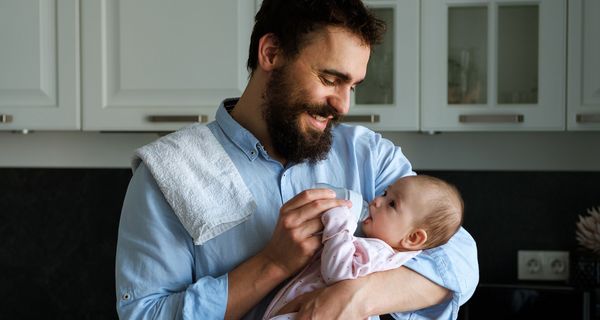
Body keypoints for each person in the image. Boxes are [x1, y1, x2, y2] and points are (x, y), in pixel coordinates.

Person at [115, 0, 479, 319]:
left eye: (352, 86)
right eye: (330, 78)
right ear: (271, 53)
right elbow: (146, 314)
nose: (343, 105)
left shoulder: (369, 155)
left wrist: (354, 297)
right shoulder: (167, 174)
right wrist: (271, 264)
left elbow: (459, 257)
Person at [263, 175, 464, 319]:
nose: (377, 201)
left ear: (412, 238)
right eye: (385, 193)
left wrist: (339, 221)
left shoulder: (379, 252)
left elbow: (337, 271)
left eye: (392, 204)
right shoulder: (377, 246)